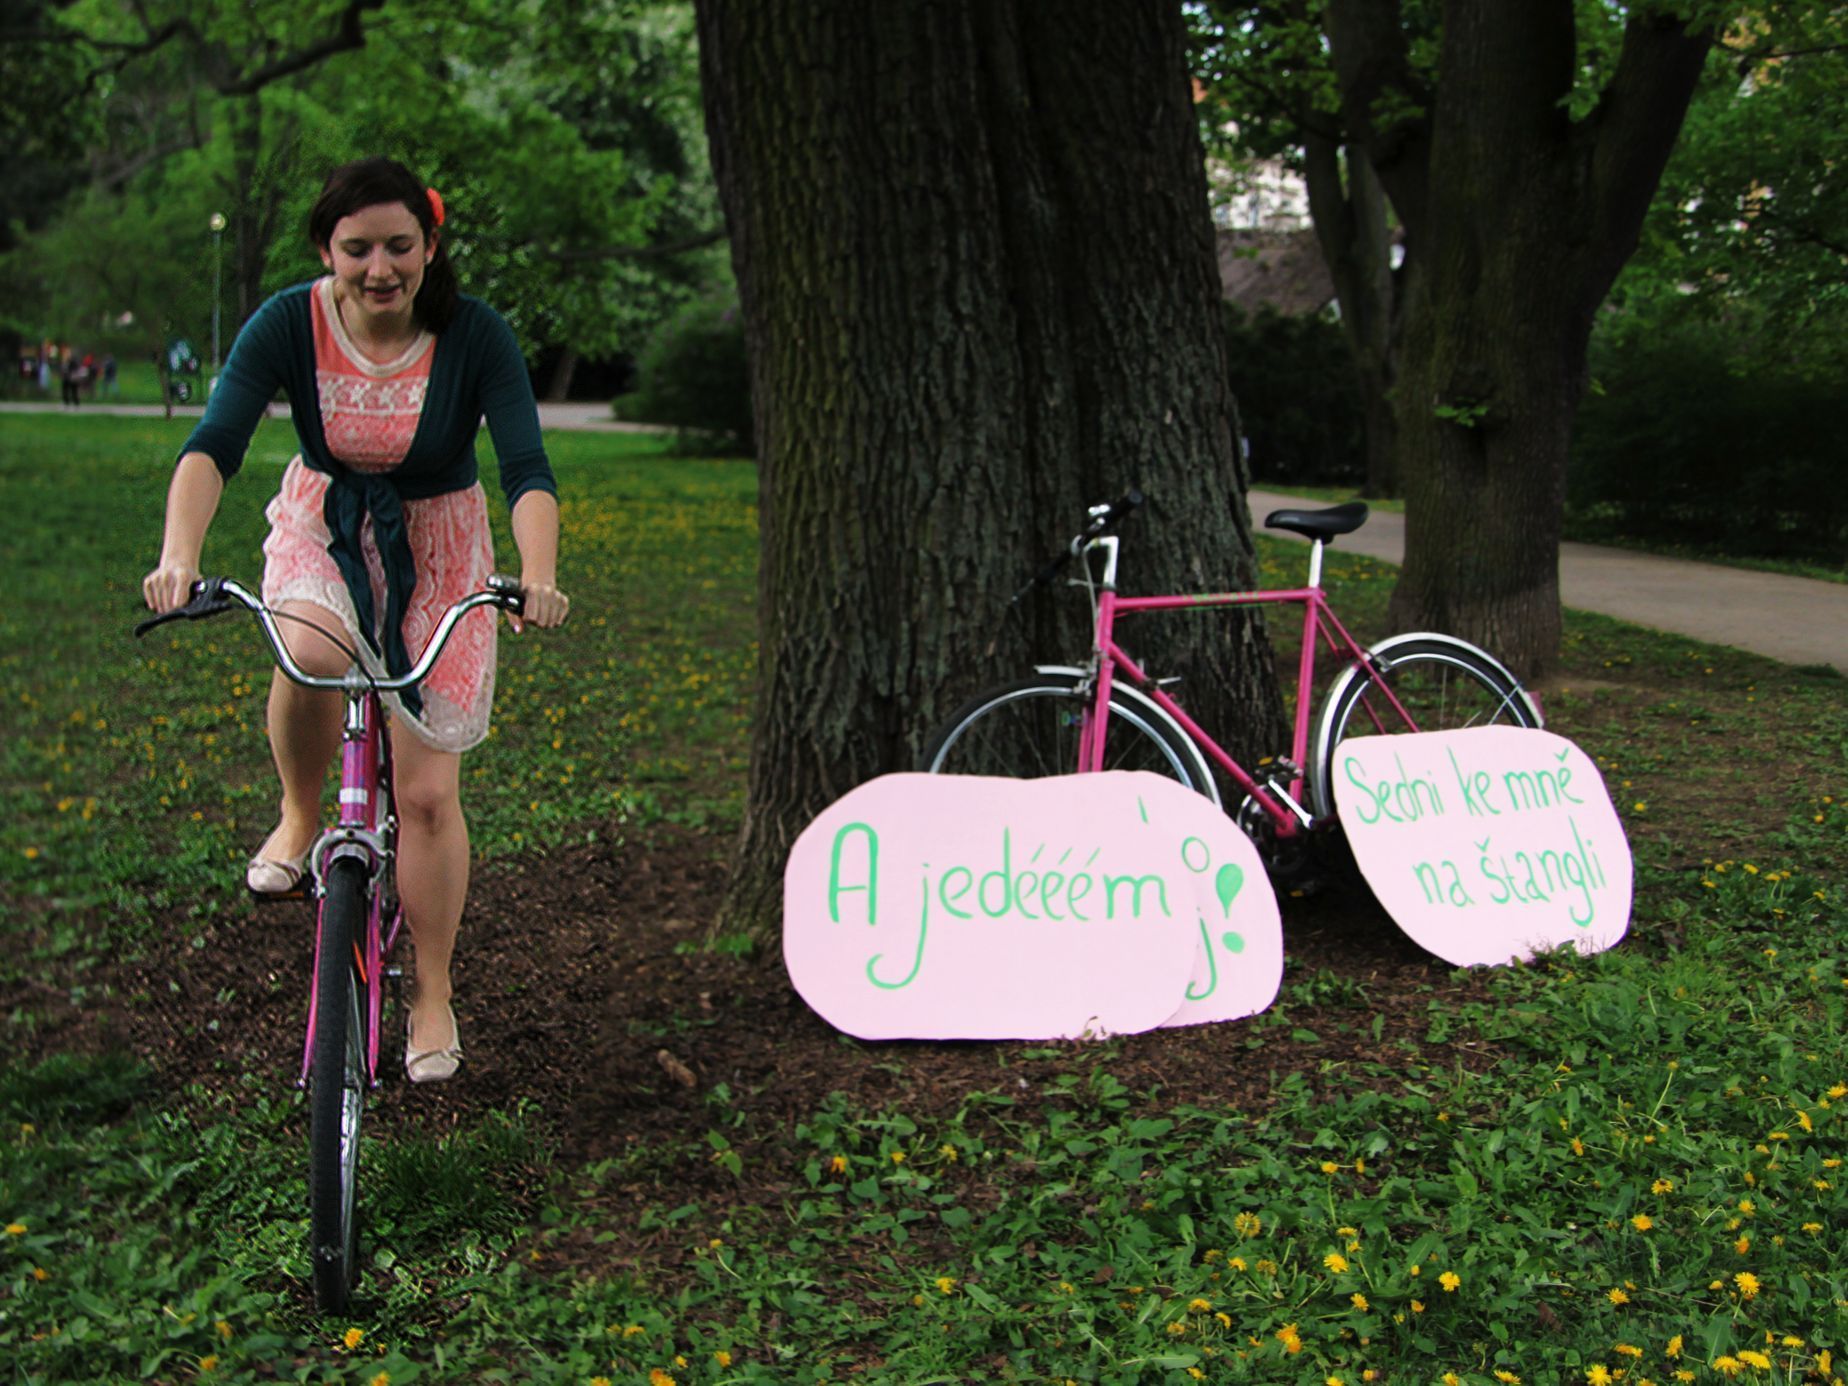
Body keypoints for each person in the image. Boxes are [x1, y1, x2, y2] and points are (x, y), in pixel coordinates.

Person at [141, 157, 570, 1084]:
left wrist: (538, 573)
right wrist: (179, 554)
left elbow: (526, 466)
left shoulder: (475, 335)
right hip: (325, 528)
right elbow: (214, 442)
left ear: (430, 244)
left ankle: (433, 992)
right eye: (357, 248)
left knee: (425, 796)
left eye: (399, 246)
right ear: (326, 250)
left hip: (440, 548)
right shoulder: (285, 324)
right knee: (307, 650)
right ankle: (301, 817)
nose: (380, 268)